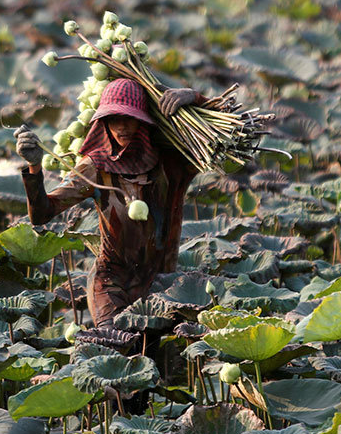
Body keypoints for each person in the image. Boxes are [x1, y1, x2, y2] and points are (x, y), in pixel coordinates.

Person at [14, 78, 208, 328]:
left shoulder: (172, 163)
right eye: (114, 118)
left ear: (143, 120)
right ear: (103, 122)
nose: (122, 126)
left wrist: (194, 97)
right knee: (115, 342)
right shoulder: (95, 168)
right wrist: (34, 166)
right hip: (111, 282)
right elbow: (41, 214)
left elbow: (228, 141)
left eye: (129, 118)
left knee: (151, 360)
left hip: (163, 283)